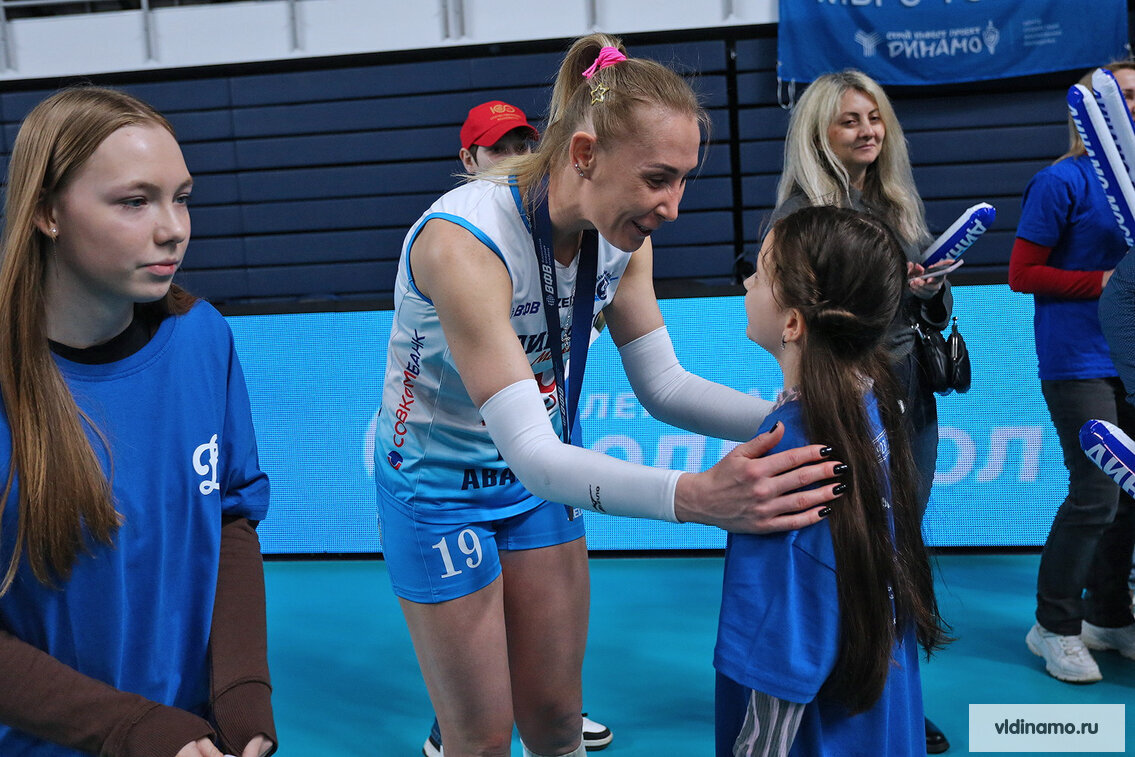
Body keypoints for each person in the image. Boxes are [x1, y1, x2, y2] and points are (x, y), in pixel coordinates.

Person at [374, 33, 845, 757]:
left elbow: (664, 386)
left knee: (557, 718)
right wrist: (695, 497)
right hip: (438, 491)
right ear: (585, 154)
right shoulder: (463, 242)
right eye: (658, 178)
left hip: (536, 481)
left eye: (683, 181)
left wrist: (801, 421)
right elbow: (534, 454)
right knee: (482, 736)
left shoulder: (623, 239)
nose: (673, 206)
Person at [0, 87, 275, 757]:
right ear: (47, 212)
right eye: (134, 201)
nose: (172, 228)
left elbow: (230, 519)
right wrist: (130, 728)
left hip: (192, 739)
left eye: (181, 197)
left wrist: (241, 690)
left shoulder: (202, 337)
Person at [715, 205, 947, 756]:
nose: (747, 283)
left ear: (793, 323)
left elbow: (780, 655)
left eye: (761, 273)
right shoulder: (871, 407)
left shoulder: (787, 462)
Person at [766, 69, 952, 754]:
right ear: (819, 131)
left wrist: (927, 291)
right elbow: (795, 322)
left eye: (874, 118)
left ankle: (892, 691)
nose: (868, 130)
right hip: (847, 401)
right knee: (852, 552)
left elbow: (922, 313)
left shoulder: (895, 202)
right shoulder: (798, 217)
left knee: (898, 544)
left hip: (910, 394)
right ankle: (849, 687)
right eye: (850, 119)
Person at [422, 99, 612, 757]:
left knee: (549, 685)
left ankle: (547, 706)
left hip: (535, 458)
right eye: (497, 148)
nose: (513, 159)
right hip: (452, 467)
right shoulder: (463, 238)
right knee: (478, 716)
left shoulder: (583, 238)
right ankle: (456, 721)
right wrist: (695, 496)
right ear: (467, 159)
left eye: (523, 145)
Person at [1010, 62, 1135, 683]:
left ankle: (1108, 616)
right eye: (1124, 96)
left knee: (1131, 496)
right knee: (1096, 493)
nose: (1133, 108)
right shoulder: (1061, 181)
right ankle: (1054, 626)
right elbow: (1022, 274)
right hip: (1079, 360)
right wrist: (1104, 281)